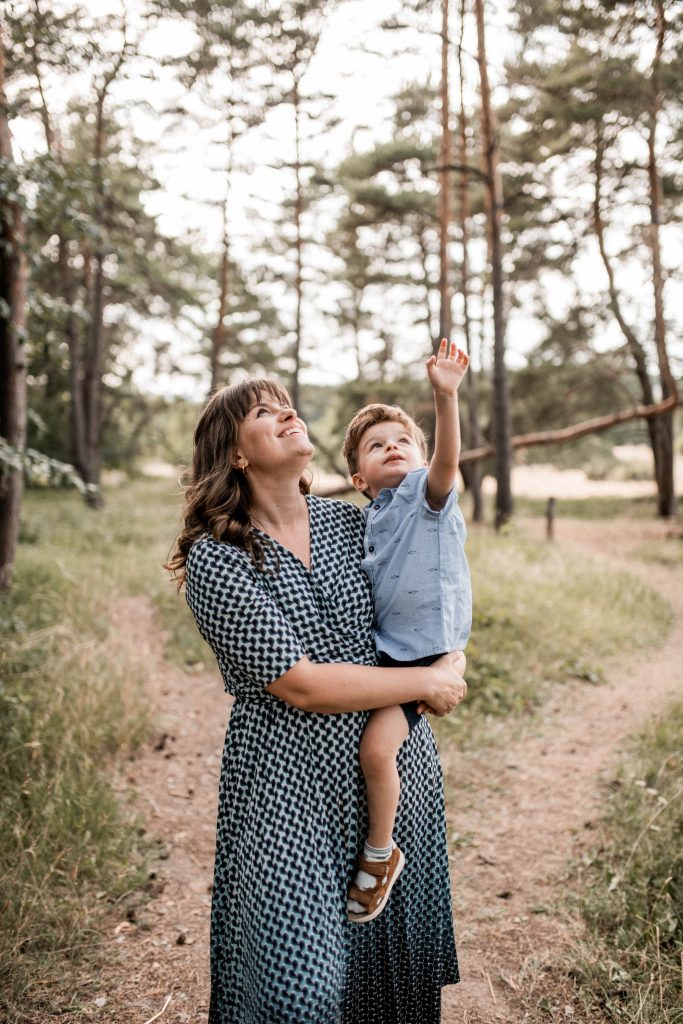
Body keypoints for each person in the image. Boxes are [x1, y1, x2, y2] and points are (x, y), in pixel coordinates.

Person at [166, 377, 467, 1024]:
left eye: (286, 404)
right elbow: (298, 684)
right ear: (236, 454)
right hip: (285, 787)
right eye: (262, 412)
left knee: (392, 976)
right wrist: (424, 683)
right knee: (295, 991)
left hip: (390, 767)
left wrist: (450, 656)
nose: (286, 413)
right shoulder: (216, 558)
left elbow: (424, 594)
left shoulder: (350, 522)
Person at [342, 339, 472, 925]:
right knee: (372, 749)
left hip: (425, 656)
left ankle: (380, 854)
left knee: (375, 749)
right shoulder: (369, 514)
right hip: (392, 656)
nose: (392, 447)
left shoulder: (426, 497)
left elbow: (446, 462)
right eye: (377, 446)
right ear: (358, 476)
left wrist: (444, 398)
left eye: (403, 442)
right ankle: (380, 845)